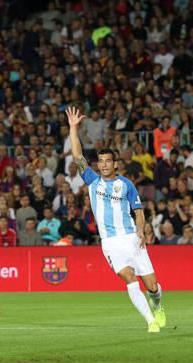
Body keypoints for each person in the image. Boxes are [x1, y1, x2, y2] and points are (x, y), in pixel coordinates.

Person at [66, 106, 165, 333]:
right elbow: (77, 155)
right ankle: (151, 321)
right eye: (100, 161)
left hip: (132, 237)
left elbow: (138, 210)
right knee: (129, 278)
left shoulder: (127, 185)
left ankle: (157, 306)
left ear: (115, 164)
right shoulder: (92, 180)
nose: (103, 164)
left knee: (152, 287)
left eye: (107, 161)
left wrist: (140, 229)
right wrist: (73, 128)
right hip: (110, 242)